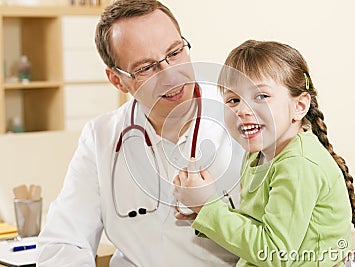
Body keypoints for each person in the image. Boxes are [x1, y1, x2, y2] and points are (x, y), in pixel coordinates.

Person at [37, 0, 243, 266]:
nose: (170, 74)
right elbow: (62, 241)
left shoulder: (244, 119)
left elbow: (280, 242)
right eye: (146, 68)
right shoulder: (101, 137)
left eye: (175, 52)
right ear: (117, 80)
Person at [174, 40, 355, 267]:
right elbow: (259, 225)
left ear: (299, 106)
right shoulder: (259, 154)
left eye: (261, 96)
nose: (242, 110)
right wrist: (204, 212)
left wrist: (208, 208)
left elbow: (274, 254)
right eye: (233, 100)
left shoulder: (298, 165)